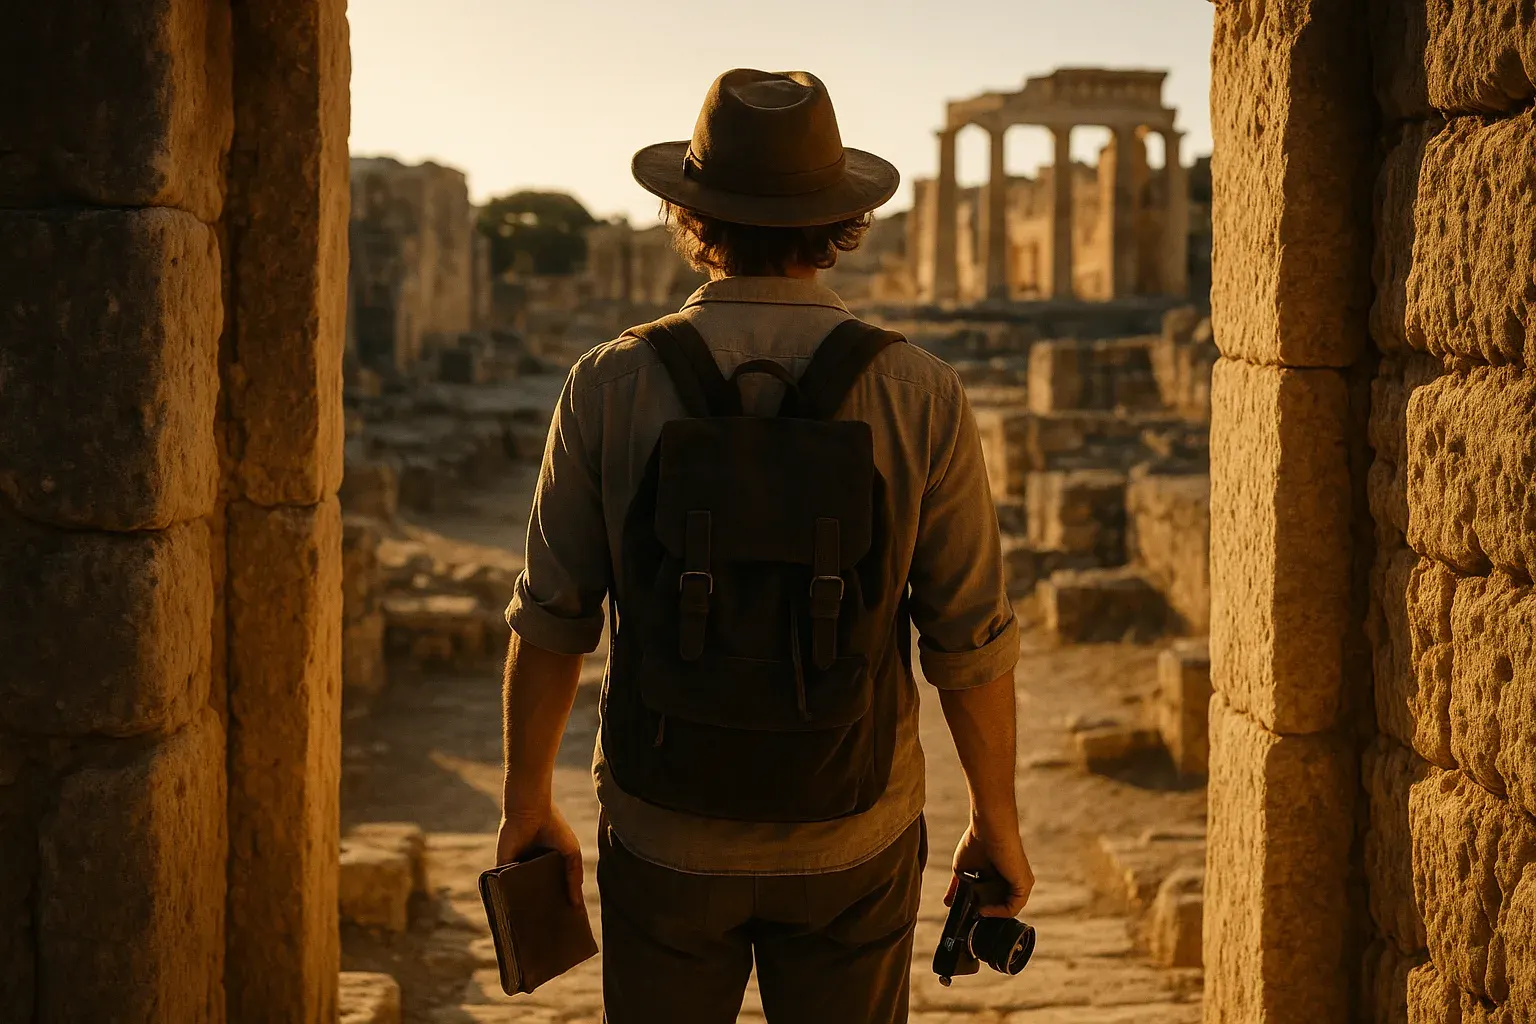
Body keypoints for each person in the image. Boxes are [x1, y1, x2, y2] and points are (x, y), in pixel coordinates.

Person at [496, 68, 1032, 1024]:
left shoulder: (608, 384)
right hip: (854, 828)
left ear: (690, 216)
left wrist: (525, 800)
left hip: (664, 825)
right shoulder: (920, 391)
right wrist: (997, 821)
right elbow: (968, 638)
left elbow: (552, 617)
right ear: (840, 221)